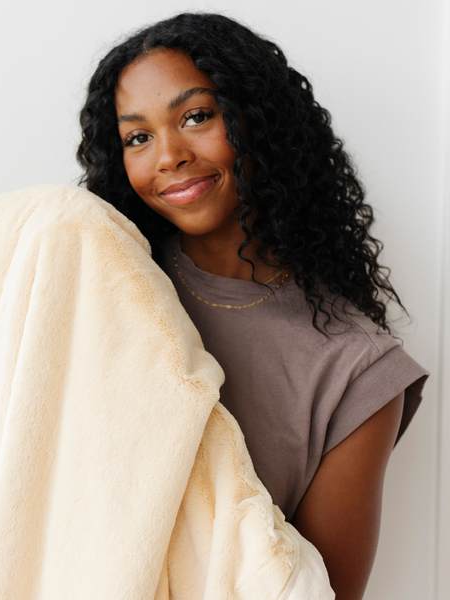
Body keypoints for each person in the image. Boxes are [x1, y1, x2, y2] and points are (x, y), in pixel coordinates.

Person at [76, 12, 428, 600]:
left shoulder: (356, 368)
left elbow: (317, 590)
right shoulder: (104, 285)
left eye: (196, 116)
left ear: (259, 121)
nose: (168, 155)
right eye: (137, 136)